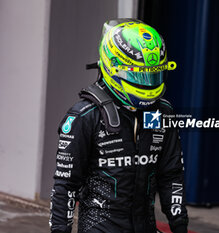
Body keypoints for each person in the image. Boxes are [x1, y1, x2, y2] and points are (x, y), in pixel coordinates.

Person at [49, 19, 188, 233]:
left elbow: (171, 175)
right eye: (138, 74)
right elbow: (65, 186)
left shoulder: (162, 112)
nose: (146, 82)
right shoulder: (85, 116)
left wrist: (179, 226)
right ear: (113, 66)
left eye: (152, 73)